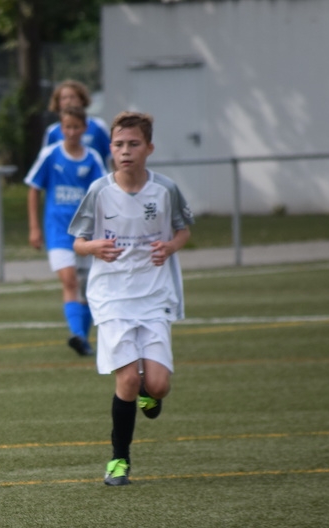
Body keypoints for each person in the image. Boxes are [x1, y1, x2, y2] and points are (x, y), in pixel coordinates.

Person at [69, 111, 194, 486]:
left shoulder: (165, 190)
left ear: (149, 148)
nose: (125, 151)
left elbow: (183, 229)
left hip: (154, 294)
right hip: (111, 297)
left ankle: (150, 394)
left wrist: (170, 246)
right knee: (126, 379)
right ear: (110, 148)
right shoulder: (99, 190)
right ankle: (119, 460)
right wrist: (94, 247)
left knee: (157, 384)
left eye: (134, 144)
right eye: (119, 144)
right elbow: (78, 242)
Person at [25, 105, 107, 356]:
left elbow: (103, 193)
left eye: (76, 127)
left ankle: (82, 340)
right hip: (57, 231)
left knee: (87, 288)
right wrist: (34, 227)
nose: (71, 132)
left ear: (84, 128)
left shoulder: (92, 158)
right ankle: (78, 335)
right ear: (61, 129)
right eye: (67, 127)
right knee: (69, 280)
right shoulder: (50, 154)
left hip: (85, 231)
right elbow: (34, 189)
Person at [43, 80, 111, 168]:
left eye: (72, 97)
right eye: (64, 98)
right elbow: (46, 161)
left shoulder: (98, 126)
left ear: (81, 100)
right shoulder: (52, 131)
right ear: (58, 103)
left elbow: (112, 155)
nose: (68, 101)